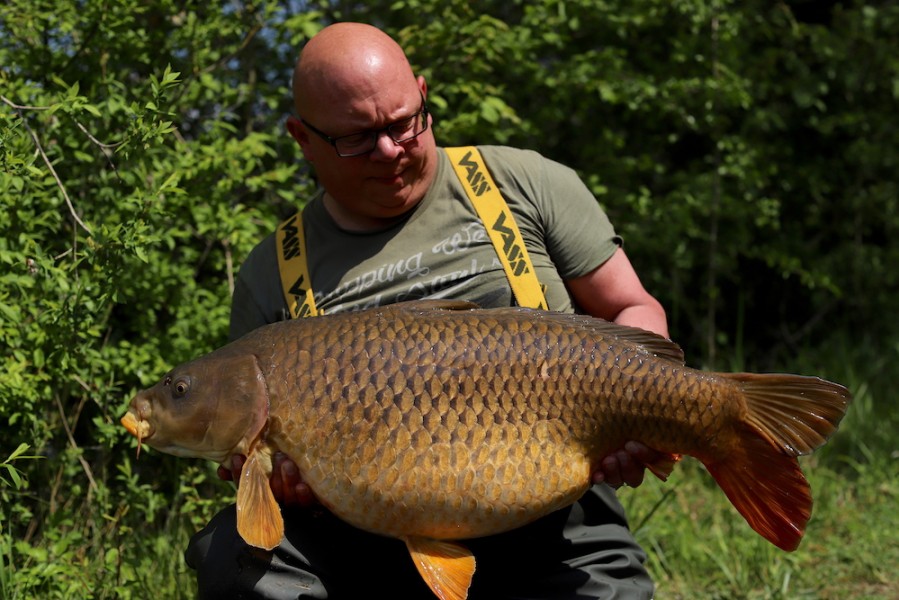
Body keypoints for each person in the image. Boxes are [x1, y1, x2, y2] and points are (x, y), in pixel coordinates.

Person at [186, 22, 669, 600]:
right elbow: (258, 462)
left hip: (557, 521)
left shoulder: (524, 185)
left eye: (402, 123)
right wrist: (281, 484)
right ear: (302, 138)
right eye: (358, 138)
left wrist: (645, 405)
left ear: (421, 95)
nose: (390, 150)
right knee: (231, 556)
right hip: (367, 546)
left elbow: (632, 306)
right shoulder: (272, 273)